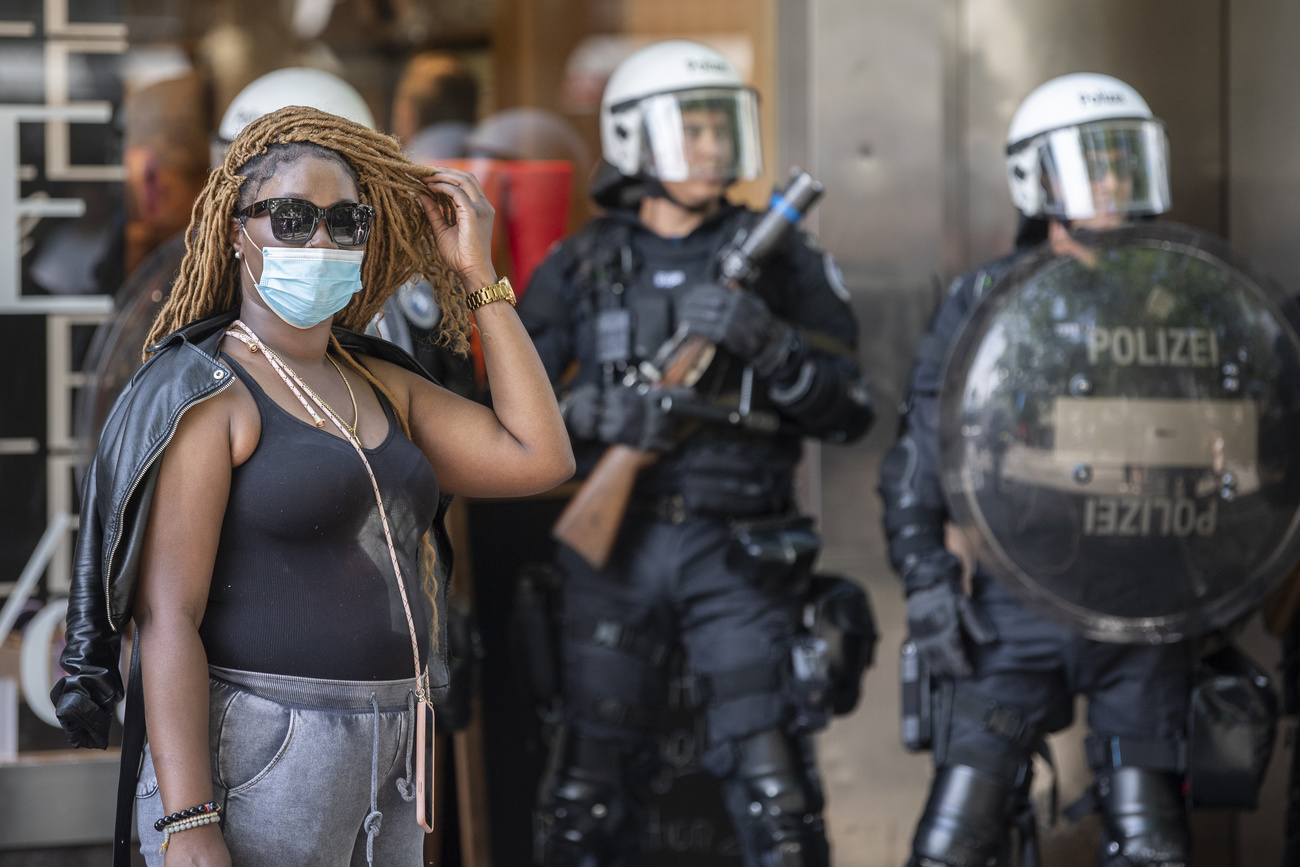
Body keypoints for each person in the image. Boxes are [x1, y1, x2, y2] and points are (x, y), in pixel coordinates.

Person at [53, 105, 574, 866]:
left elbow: (539, 454)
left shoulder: (380, 382)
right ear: (237, 231)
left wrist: (477, 276)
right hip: (262, 751)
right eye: (291, 219)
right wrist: (188, 819)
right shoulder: (211, 390)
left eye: (344, 221)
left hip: (391, 743)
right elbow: (167, 618)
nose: (320, 240)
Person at [519, 40, 874, 867]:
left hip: (741, 555)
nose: (712, 146)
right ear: (631, 140)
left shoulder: (783, 260)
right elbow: (500, 407)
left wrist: (772, 347)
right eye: (691, 128)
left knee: (777, 803)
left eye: (722, 127)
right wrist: (590, 410)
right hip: (617, 554)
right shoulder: (583, 263)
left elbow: (852, 410)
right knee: (585, 801)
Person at [878, 72, 1192, 866]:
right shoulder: (986, 299)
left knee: (1150, 842)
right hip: (1016, 603)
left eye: (1122, 162)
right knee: (953, 843)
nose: (1111, 182)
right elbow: (924, 448)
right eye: (1091, 163)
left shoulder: (1190, 297)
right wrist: (924, 582)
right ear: (1035, 180)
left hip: (1144, 604)